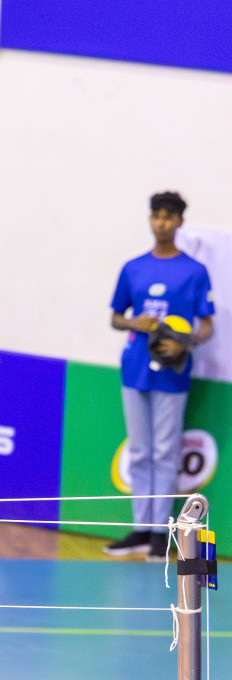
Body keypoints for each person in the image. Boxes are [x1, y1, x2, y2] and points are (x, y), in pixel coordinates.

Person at [106, 190, 215, 559]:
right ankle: (139, 529)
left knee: (166, 451)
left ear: (180, 222)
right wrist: (133, 321)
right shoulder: (133, 267)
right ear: (150, 219)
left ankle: (159, 534)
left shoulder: (195, 272)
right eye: (157, 216)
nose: (162, 223)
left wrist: (186, 343)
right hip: (135, 368)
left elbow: (207, 326)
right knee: (140, 451)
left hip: (173, 371)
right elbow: (116, 317)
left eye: (170, 217)